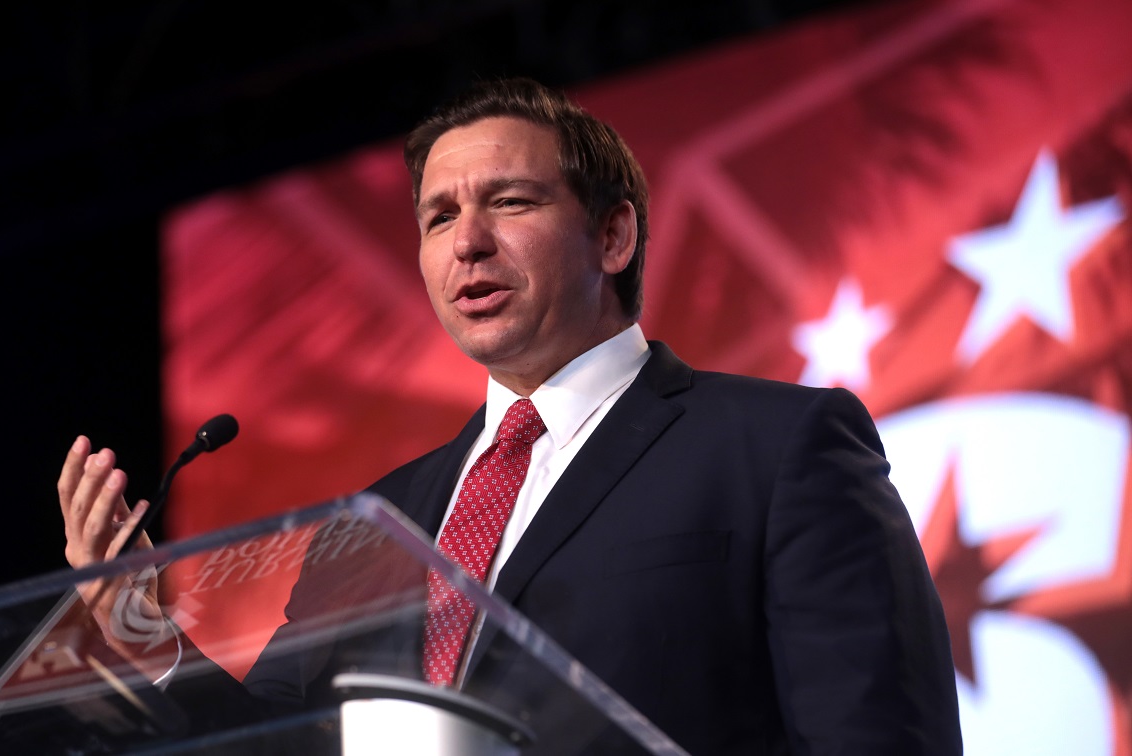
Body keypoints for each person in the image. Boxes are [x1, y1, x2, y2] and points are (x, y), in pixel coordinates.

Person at [60, 77, 962, 754]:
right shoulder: (372, 527)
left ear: (612, 236)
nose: (467, 242)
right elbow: (279, 743)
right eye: (438, 216)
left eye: (510, 201)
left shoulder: (776, 447)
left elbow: (879, 735)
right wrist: (140, 627)